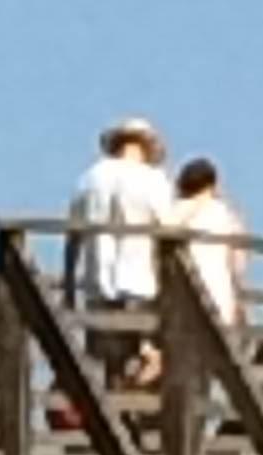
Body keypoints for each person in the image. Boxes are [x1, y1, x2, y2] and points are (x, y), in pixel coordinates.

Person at [64, 118, 175, 380]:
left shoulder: (90, 178)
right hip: (140, 282)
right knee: (144, 352)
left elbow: (73, 237)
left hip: (97, 282)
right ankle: (133, 396)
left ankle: (113, 407)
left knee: (108, 361)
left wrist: (69, 286)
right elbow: (170, 233)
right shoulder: (152, 180)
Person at [172, 156, 248, 329]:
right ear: (212, 184)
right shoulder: (225, 213)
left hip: (180, 298)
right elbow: (237, 262)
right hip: (219, 294)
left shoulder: (174, 210)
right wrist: (239, 296)